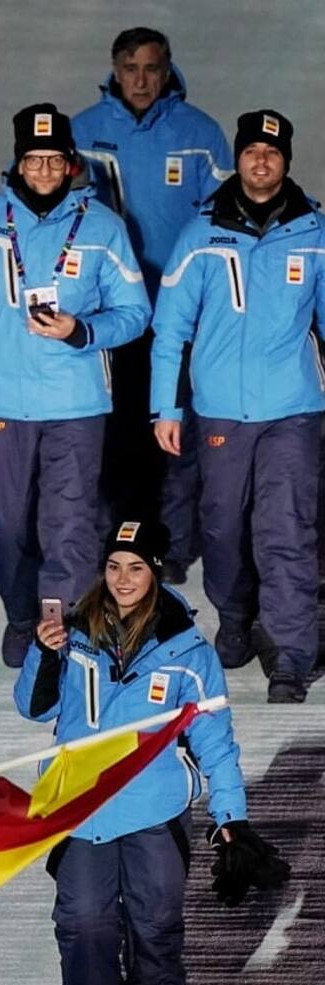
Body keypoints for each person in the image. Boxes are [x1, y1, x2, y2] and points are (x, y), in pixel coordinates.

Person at [15, 519, 286, 985]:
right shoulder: (73, 631)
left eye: (135, 567)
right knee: (83, 924)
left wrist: (231, 819)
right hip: (80, 808)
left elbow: (216, 739)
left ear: (156, 572)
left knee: (155, 925)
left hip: (154, 810)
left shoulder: (188, 651)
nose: (122, 578)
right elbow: (34, 710)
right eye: (114, 566)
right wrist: (43, 654)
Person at [0, 102, 151, 668]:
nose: (44, 171)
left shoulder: (102, 226)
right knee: (3, 524)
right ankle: (20, 614)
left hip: (75, 400)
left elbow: (134, 312)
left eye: (55, 160)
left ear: (71, 164)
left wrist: (82, 330)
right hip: (1, 401)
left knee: (70, 523)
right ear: (18, 162)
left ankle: (62, 628)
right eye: (34, 160)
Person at [151, 110, 325, 703]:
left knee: (287, 530)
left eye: (272, 153)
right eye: (252, 151)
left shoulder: (314, 231)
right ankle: (235, 617)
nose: (261, 161)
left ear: (286, 161)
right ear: (239, 158)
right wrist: (165, 410)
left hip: (291, 410)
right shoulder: (201, 233)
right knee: (223, 528)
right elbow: (170, 330)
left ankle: (292, 655)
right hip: (221, 409)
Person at [73, 27, 233, 581]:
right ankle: (110, 547)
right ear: (114, 71)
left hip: (176, 314)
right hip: (107, 315)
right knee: (110, 434)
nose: (141, 80)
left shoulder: (201, 133)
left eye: (152, 68)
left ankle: (166, 547)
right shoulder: (83, 131)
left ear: (167, 70)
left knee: (171, 434)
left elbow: (224, 223)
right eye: (130, 68)